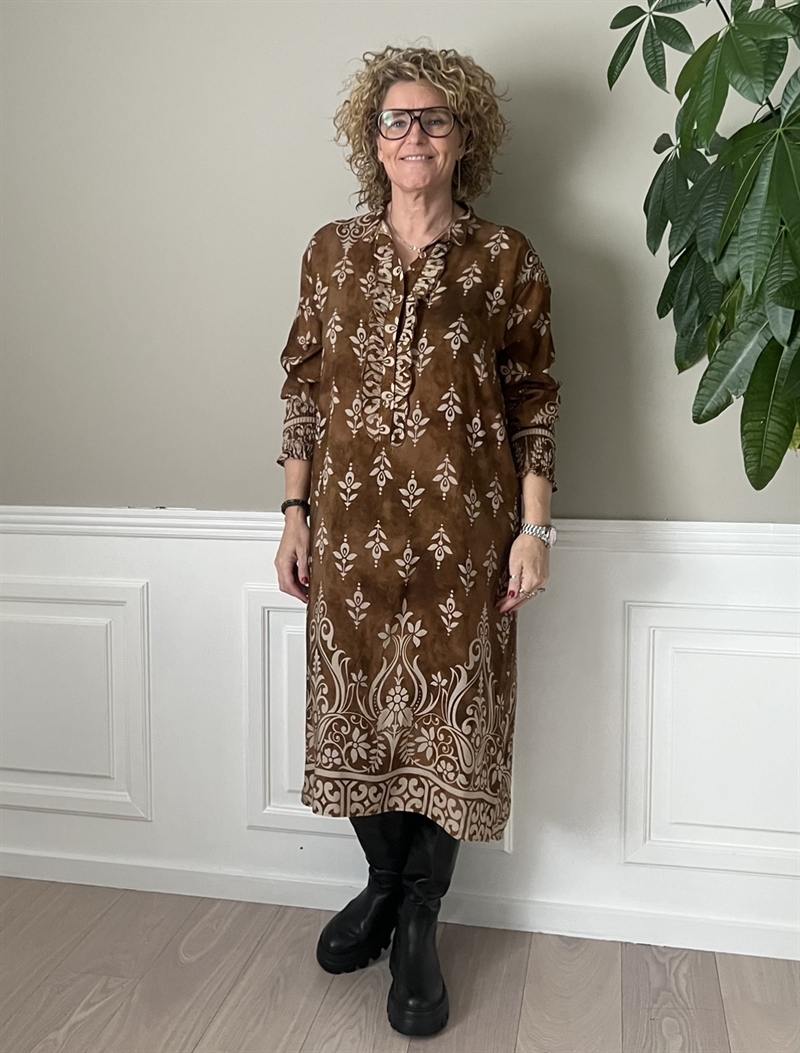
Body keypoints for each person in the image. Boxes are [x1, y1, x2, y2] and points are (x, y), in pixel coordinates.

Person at [274, 45, 561, 1038]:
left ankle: (421, 921)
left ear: (464, 136)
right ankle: (384, 885)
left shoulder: (506, 257)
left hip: (464, 541)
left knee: (450, 726)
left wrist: (533, 527)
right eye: (396, 120)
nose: (414, 136)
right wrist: (293, 513)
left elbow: (532, 399)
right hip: (349, 542)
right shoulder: (329, 252)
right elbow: (303, 386)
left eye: (434, 119)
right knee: (358, 716)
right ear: (373, 139)